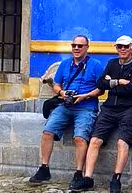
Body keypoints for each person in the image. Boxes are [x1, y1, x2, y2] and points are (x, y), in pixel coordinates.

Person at [70, 35, 132, 193]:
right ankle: (88, 178)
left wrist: (112, 81)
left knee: (122, 143)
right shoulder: (112, 63)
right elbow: (100, 83)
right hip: (109, 107)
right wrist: (119, 81)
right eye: (119, 47)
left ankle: (116, 179)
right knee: (95, 140)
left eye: (125, 47)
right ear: (116, 48)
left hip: (129, 108)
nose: (122, 49)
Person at [29, 34, 104, 188]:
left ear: (87, 48)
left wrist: (85, 96)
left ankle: (78, 173)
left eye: (80, 46)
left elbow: (101, 89)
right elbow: (56, 84)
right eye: (74, 45)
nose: (76, 48)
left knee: (80, 138)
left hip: (86, 106)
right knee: (48, 131)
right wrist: (62, 93)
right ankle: (44, 168)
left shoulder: (96, 65)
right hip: (66, 105)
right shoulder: (64, 64)